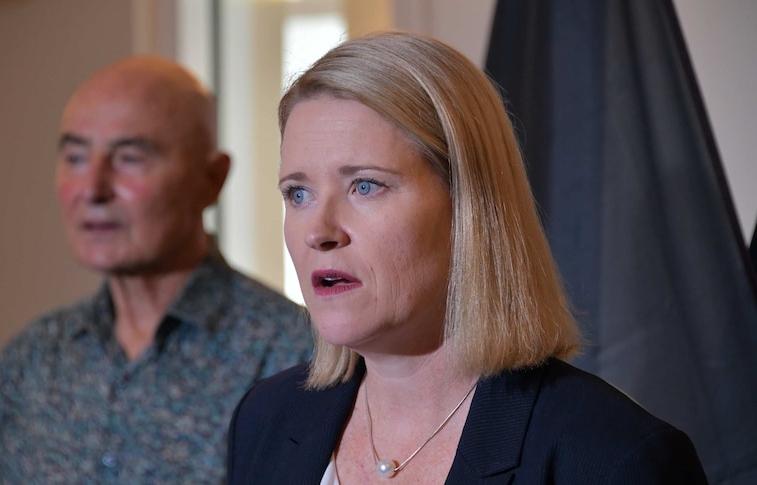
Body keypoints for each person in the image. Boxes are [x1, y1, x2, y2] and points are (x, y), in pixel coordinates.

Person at [227, 31, 708, 484]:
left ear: (468, 207)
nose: (318, 232)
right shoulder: (265, 418)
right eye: (298, 193)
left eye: (365, 185)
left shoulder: (614, 456)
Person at [0, 56, 310, 484]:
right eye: (76, 157)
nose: (93, 189)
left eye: (130, 158)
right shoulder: (29, 362)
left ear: (211, 179)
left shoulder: (295, 357)